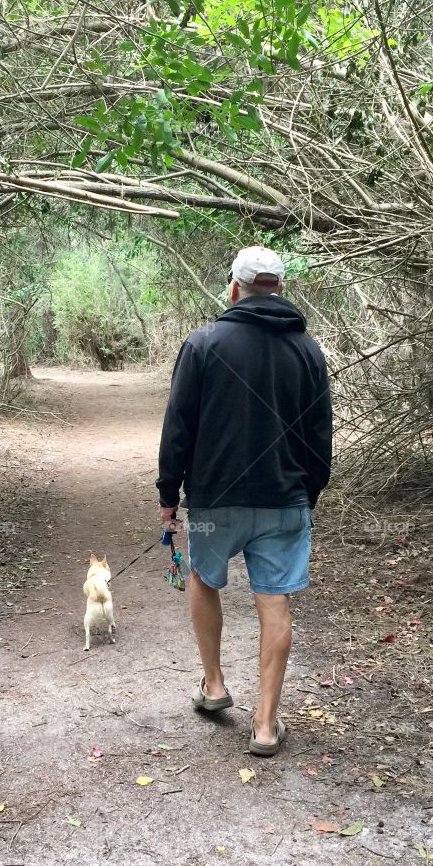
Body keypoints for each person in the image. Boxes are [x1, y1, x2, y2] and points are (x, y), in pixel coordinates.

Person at [156, 246, 333, 756]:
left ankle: (214, 687)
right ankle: (264, 725)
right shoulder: (308, 350)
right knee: (273, 598)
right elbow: (320, 435)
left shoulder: (203, 343)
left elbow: (178, 427)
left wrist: (170, 496)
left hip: (214, 505)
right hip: (284, 502)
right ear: (279, 289)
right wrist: (308, 493)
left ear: (233, 288)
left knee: (202, 578)